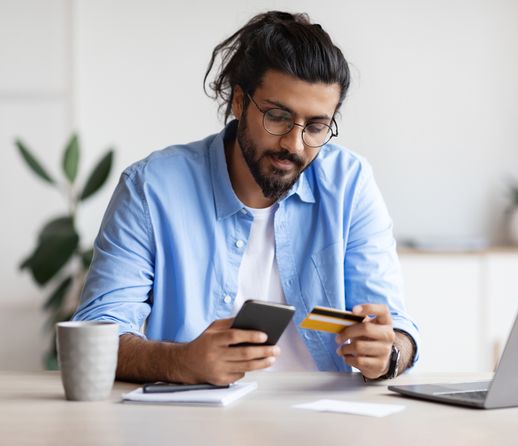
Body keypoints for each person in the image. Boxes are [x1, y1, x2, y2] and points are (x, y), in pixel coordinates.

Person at [73, 11, 420, 385]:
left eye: (316, 126)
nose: (294, 143)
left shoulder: (350, 184)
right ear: (239, 102)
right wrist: (179, 361)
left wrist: (389, 353)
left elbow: (397, 328)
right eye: (277, 117)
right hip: (191, 425)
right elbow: (94, 336)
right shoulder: (150, 189)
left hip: (322, 422)